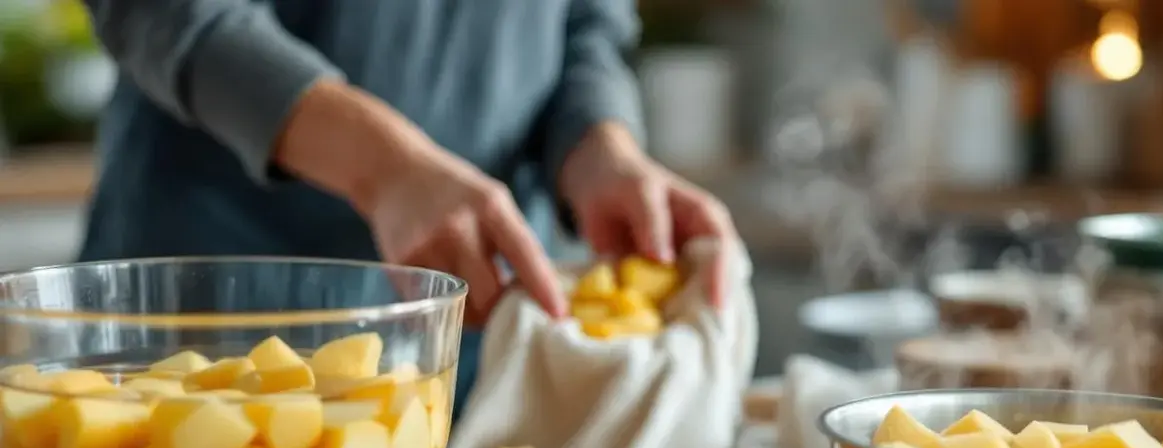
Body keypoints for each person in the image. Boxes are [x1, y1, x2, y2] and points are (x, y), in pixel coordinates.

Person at [79, 0, 738, 414]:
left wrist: (599, 143)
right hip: (207, 311)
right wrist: (382, 165)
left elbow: (588, 25)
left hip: (484, 341)